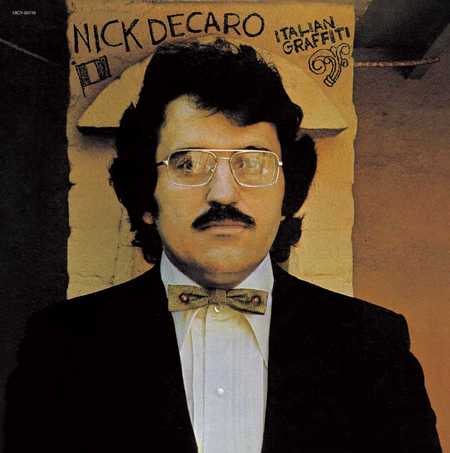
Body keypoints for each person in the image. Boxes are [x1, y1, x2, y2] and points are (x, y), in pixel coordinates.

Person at [5, 38, 441, 453]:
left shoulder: (373, 343)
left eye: (253, 162)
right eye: (189, 164)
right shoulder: (60, 344)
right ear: (146, 196)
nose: (224, 194)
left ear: (287, 194)